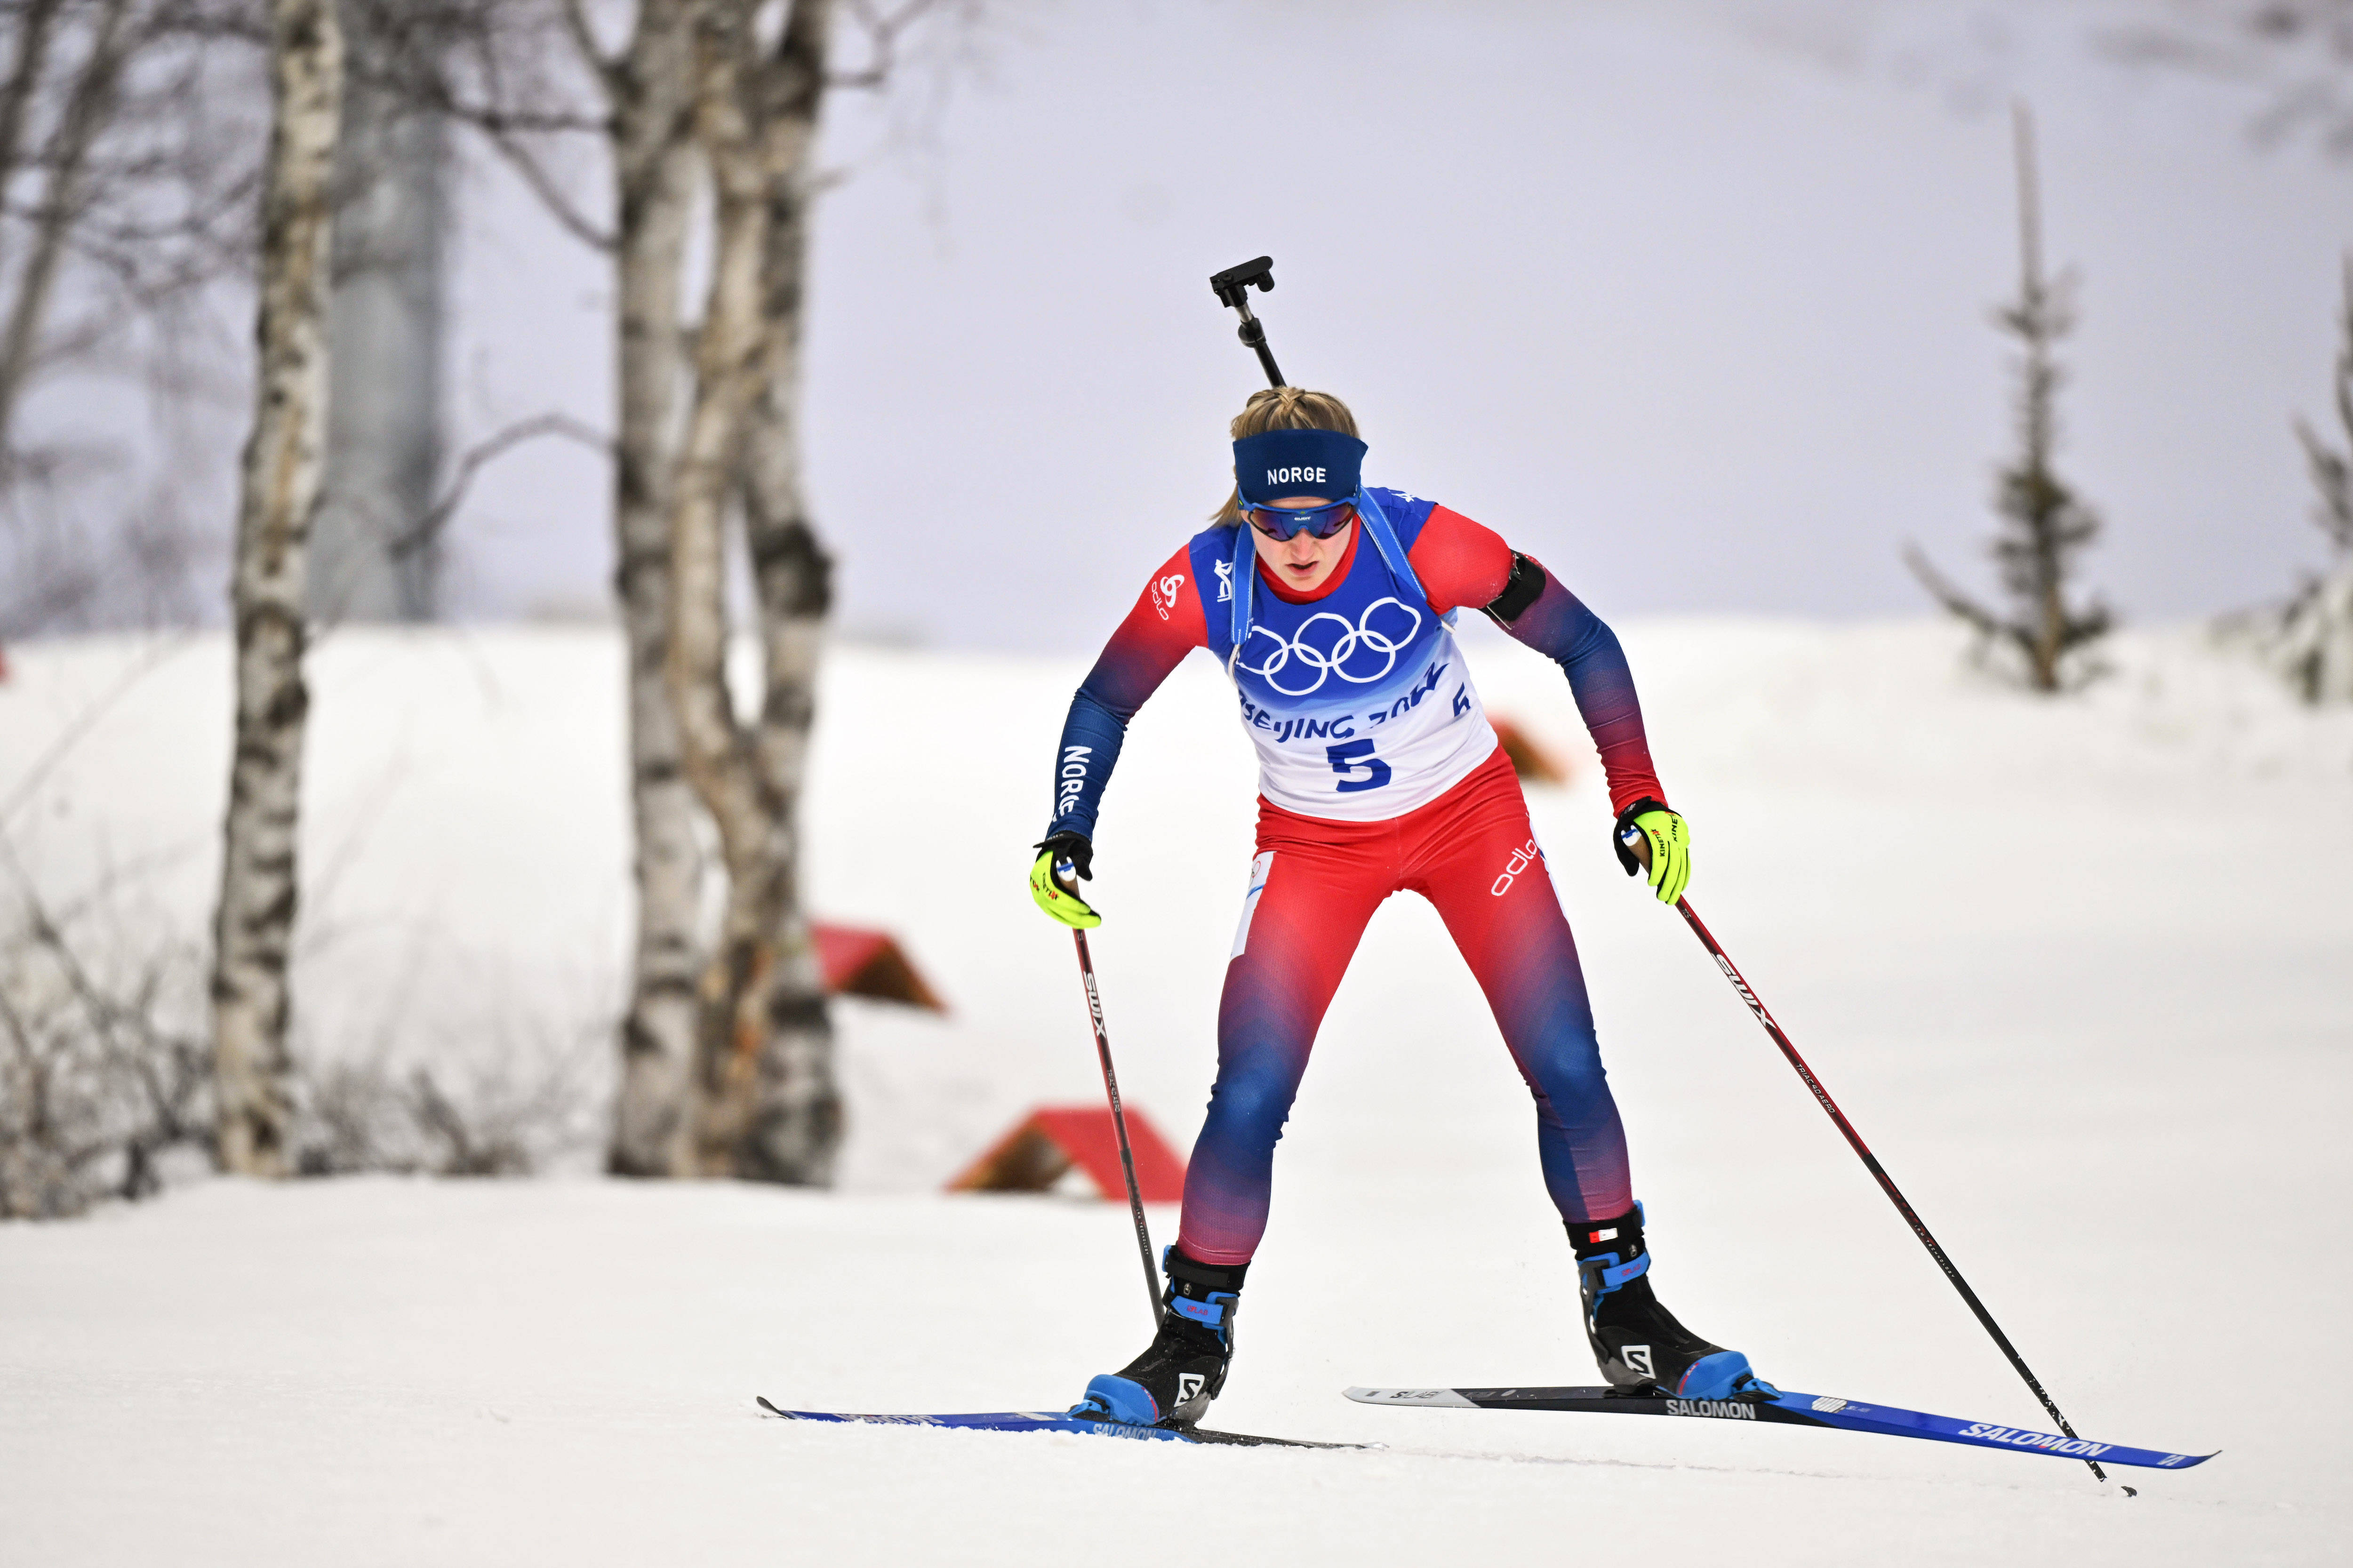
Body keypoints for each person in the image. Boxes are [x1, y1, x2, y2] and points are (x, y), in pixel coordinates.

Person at [1027, 386, 1763, 1429]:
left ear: (1353, 494)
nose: (1300, 543)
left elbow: (1586, 641)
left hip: (1472, 825)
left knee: (1564, 1065)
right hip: (1313, 847)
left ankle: (1629, 1317)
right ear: (1244, 508)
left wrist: (1637, 792)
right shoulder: (1200, 581)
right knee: (1248, 1092)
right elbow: (1104, 698)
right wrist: (1069, 826)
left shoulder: (1426, 541)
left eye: (1324, 516)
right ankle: (1188, 1343)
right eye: (1274, 521)